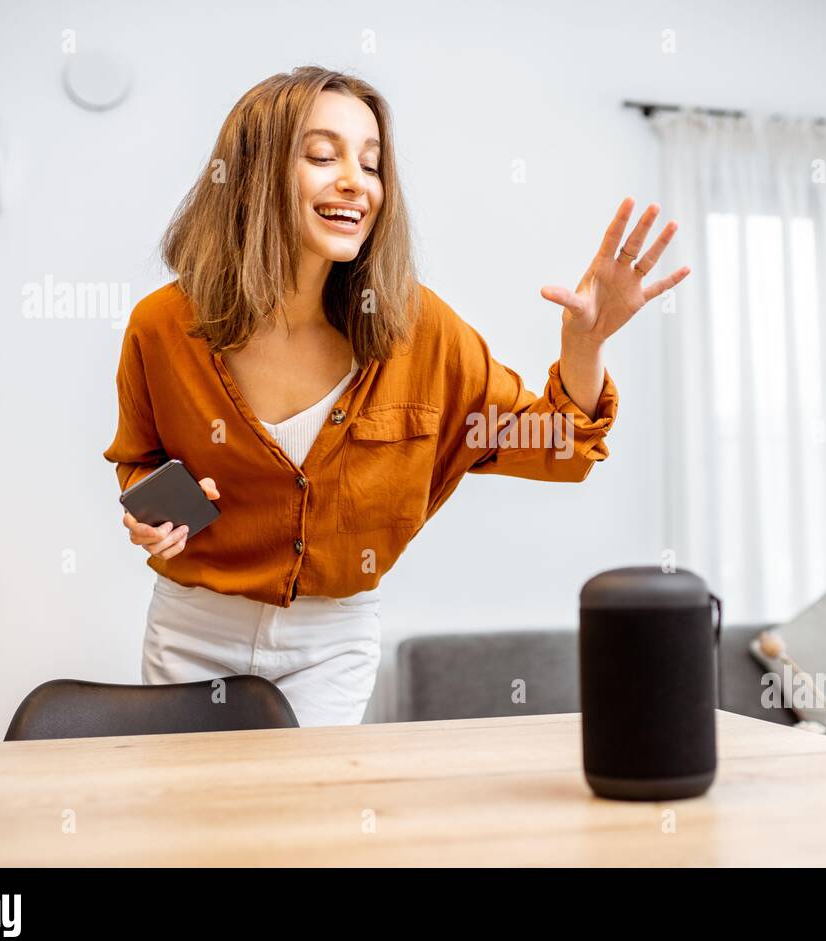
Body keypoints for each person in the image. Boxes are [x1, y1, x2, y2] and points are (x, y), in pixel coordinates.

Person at [102, 66, 690, 727]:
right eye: (322, 155)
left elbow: (561, 447)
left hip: (328, 642)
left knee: (310, 822)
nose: (356, 180)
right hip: (192, 628)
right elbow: (140, 456)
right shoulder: (163, 325)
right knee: (195, 825)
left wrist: (585, 345)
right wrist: (152, 513)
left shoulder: (420, 329)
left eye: (372, 163)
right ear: (252, 172)